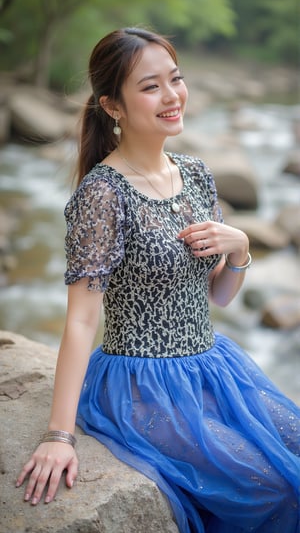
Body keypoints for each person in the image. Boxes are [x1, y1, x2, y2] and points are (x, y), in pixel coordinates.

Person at [16, 27, 299, 533]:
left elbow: (216, 296)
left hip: (212, 367)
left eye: (176, 79)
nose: (172, 96)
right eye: (151, 87)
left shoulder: (196, 174)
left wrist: (241, 250)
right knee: (268, 486)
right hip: (142, 384)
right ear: (113, 106)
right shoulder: (103, 194)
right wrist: (59, 436)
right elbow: (81, 320)